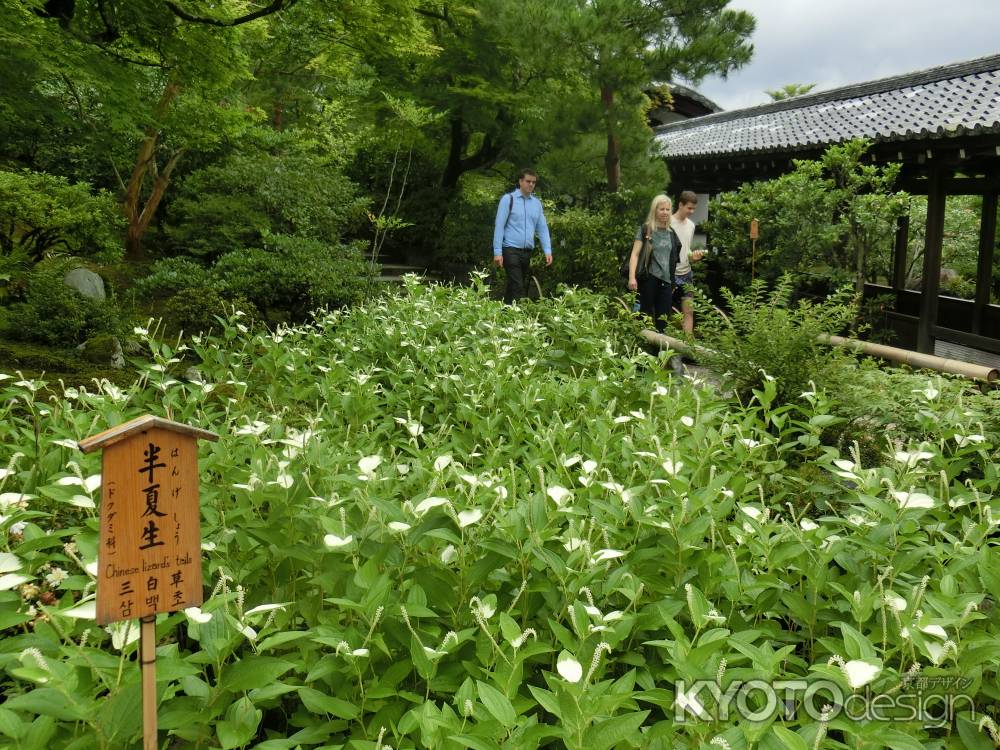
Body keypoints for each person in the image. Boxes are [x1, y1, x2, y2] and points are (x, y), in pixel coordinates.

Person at [493, 168, 552, 303]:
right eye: (528, 181)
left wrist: (547, 250)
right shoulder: (508, 200)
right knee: (518, 286)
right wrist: (497, 252)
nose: (531, 184)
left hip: (527, 252)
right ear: (520, 181)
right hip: (510, 249)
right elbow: (499, 226)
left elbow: (542, 228)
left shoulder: (536, 204)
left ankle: (504, 315)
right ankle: (516, 319)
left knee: (514, 286)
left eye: (533, 182)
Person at [627, 194, 680, 333]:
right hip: (649, 279)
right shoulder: (646, 229)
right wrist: (632, 277)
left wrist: (673, 282)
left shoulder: (671, 233)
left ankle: (660, 353)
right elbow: (635, 254)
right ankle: (641, 350)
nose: (665, 212)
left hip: (666, 282)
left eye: (668, 209)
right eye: (661, 209)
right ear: (654, 210)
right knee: (644, 317)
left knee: (664, 321)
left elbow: (674, 259)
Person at [671, 190, 706, 334]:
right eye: (689, 208)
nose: (692, 211)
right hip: (669, 273)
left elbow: (686, 251)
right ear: (680, 205)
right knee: (666, 311)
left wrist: (694, 257)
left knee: (689, 312)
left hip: (686, 273)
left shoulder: (691, 225)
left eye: (694, 209)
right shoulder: (668, 223)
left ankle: (688, 349)